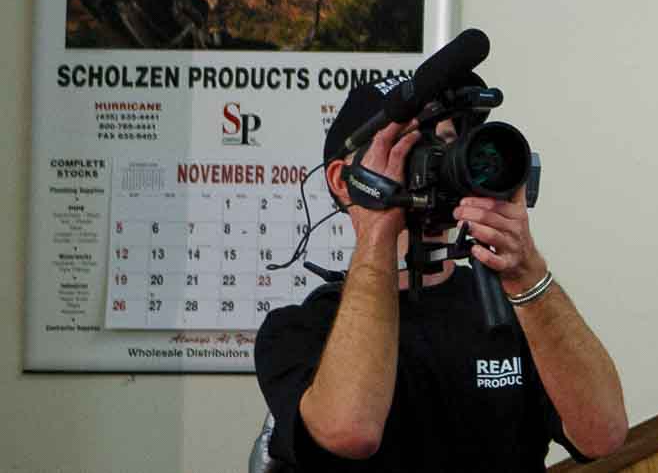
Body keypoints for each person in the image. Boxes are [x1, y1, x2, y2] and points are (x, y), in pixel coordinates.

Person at [254, 81, 628, 471]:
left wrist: (525, 268)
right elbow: (351, 431)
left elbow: (603, 433)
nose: (432, 162)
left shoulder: (518, 312)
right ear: (341, 180)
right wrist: (378, 229)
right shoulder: (298, 330)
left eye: (446, 144)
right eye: (404, 146)